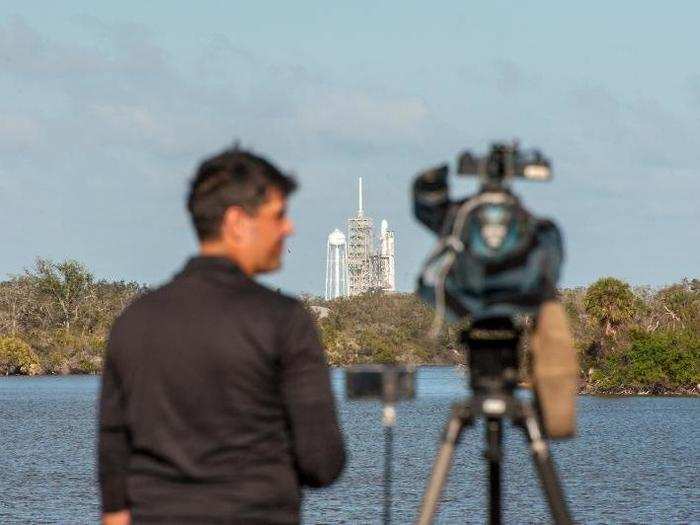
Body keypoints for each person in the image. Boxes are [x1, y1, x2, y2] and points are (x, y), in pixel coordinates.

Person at [98, 147, 346, 525]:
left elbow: (114, 472)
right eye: (278, 216)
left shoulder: (134, 321)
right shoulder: (283, 321)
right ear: (237, 222)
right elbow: (322, 463)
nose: (288, 228)